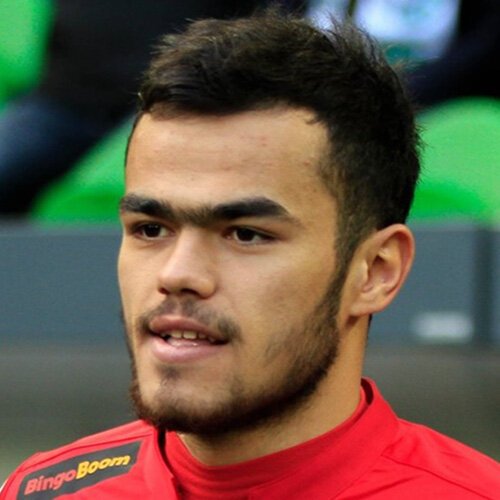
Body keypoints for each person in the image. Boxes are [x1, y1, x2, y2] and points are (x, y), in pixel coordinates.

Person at [2, 10, 499, 500]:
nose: (177, 274)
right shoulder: (40, 491)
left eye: (245, 235)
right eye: (151, 229)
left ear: (375, 271)